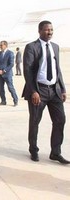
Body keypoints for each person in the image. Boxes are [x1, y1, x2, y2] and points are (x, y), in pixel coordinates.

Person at [22, 20, 69, 164]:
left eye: (51, 30)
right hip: (39, 90)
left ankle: (55, 152)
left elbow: (57, 69)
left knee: (60, 120)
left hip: (54, 90)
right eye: (47, 30)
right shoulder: (31, 47)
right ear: (39, 31)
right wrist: (34, 91)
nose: (50, 32)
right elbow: (28, 71)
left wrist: (62, 88)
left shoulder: (55, 47)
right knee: (35, 121)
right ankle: (34, 150)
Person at [0, 40, 18, 106]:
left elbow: (11, 64)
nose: (0, 46)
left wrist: (4, 71)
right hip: (0, 74)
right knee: (0, 89)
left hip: (7, 74)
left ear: (6, 45)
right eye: (0, 45)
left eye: (1, 45)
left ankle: (15, 100)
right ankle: (3, 101)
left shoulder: (10, 53)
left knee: (10, 88)